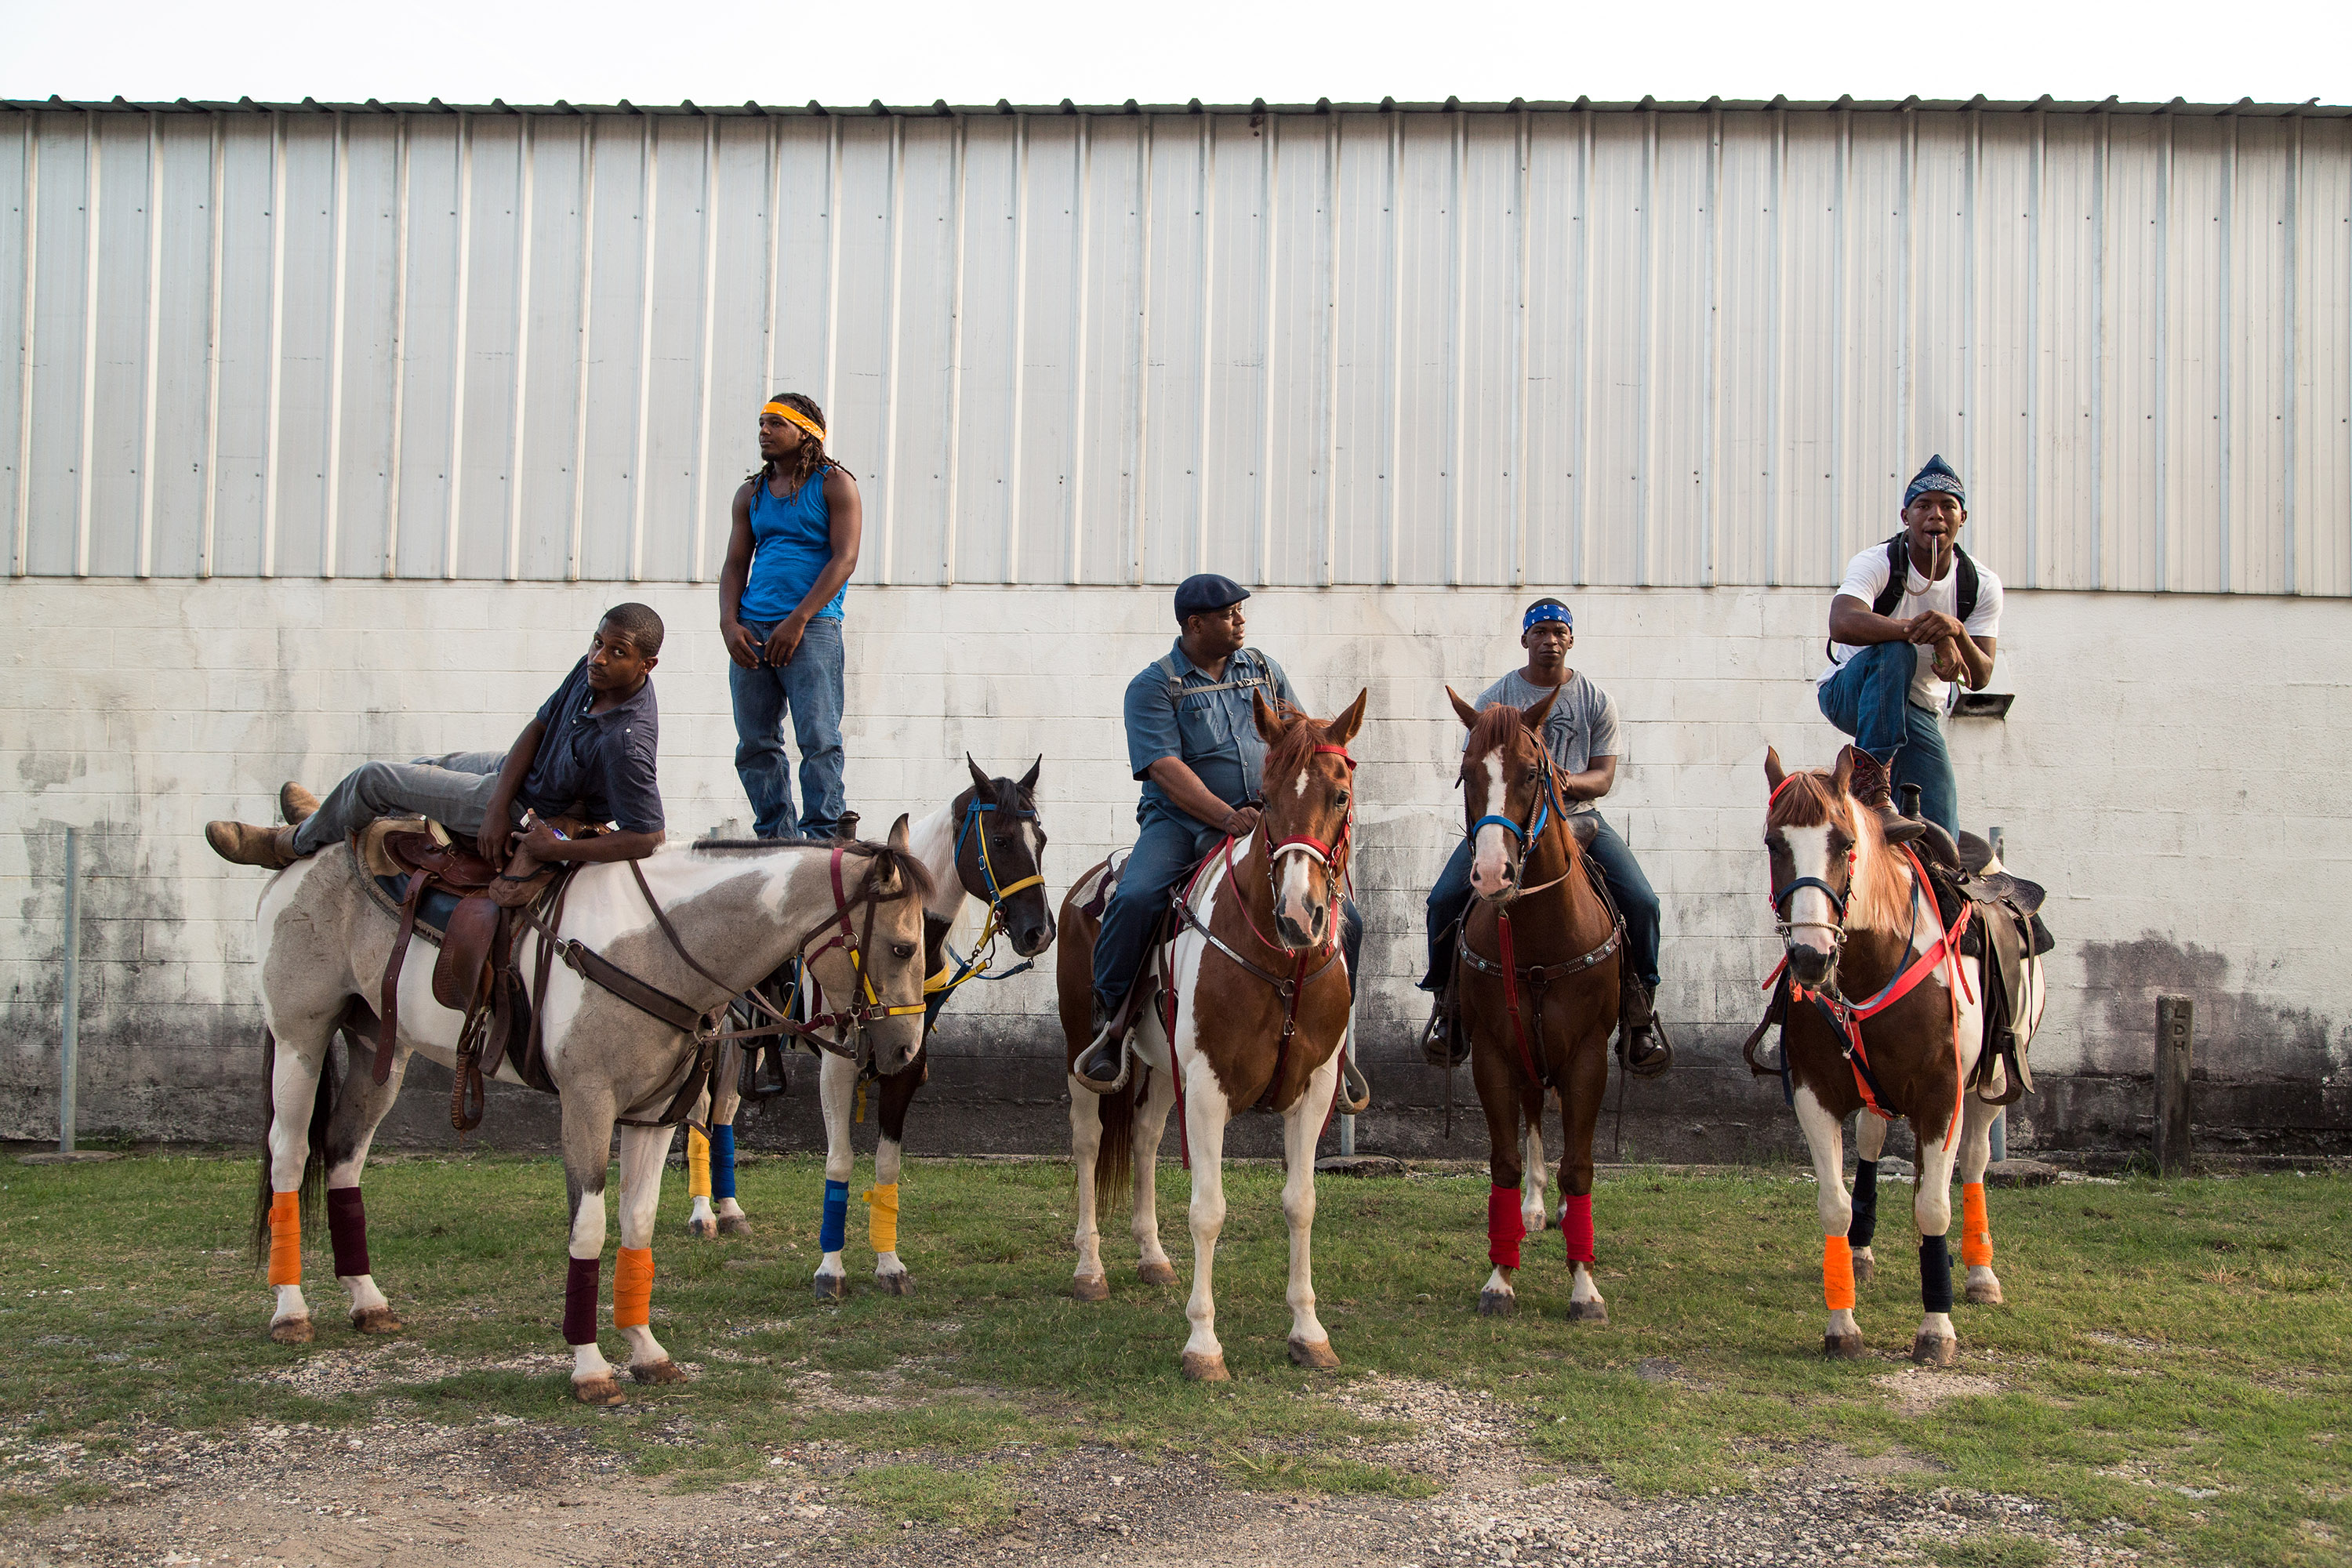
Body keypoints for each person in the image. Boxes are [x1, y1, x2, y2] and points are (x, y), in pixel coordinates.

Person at [1073, 575, 1359, 1092]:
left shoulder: (1264, 671)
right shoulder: (1153, 686)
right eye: (1229, 614)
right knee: (1136, 898)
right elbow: (1163, 767)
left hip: (1264, 822)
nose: (1241, 621)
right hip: (1178, 824)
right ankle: (1112, 1023)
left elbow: (1300, 739)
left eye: (1241, 611)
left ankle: (1332, 1045)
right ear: (1195, 624)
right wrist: (1226, 817)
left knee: (1349, 919)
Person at [204, 604, 668, 872]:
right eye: (597, 642)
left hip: (533, 809)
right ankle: (327, 821)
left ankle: (284, 846)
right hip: (530, 774)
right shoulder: (594, 672)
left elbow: (648, 836)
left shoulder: (626, 742)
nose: (599, 657)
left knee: (374, 780)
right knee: (427, 765)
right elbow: (539, 727)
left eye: (617, 652)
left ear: (646, 665)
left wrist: (554, 847)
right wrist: (493, 803)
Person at [1419, 599, 1670, 1077]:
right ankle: (1448, 1007)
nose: (1550, 640)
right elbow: (1482, 768)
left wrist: (1560, 781)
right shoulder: (1497, 697)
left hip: (1579, 819)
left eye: (1559, 632)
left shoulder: (1596, 701)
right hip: (1508, 824)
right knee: (1443, 899)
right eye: (1540, 632)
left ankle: (1639, 1014)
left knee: (1642, 902)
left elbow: (1603, 777)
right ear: (1525, 639)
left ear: (1571, 639)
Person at [1817, 454, 2002, 843]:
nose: (1936, 515)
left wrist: (1955, 631)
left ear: (1962, 518)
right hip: (1851, 693)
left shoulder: (1980, 584)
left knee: (1941, 830)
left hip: (1916, 709)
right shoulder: (1878, 562)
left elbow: (1982, 675)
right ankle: (1870, 787)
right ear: (1906, 516)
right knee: (1896, 652)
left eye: (1948, 506)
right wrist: (1925, 632)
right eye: (1924, 505)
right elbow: (1842, 621)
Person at [719, 394, 862, 840]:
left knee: (818, 738)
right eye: (762, 422)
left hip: (812, 628)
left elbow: (844, 559)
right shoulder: (751, 493)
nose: (764, 430)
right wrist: (729, 624)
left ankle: (822, 838)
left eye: (776, 423)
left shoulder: (835, 485)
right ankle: (776, 840)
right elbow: (734, 564)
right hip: (752, 629)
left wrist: (798, 620)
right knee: (755, 743)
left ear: (807, 433)